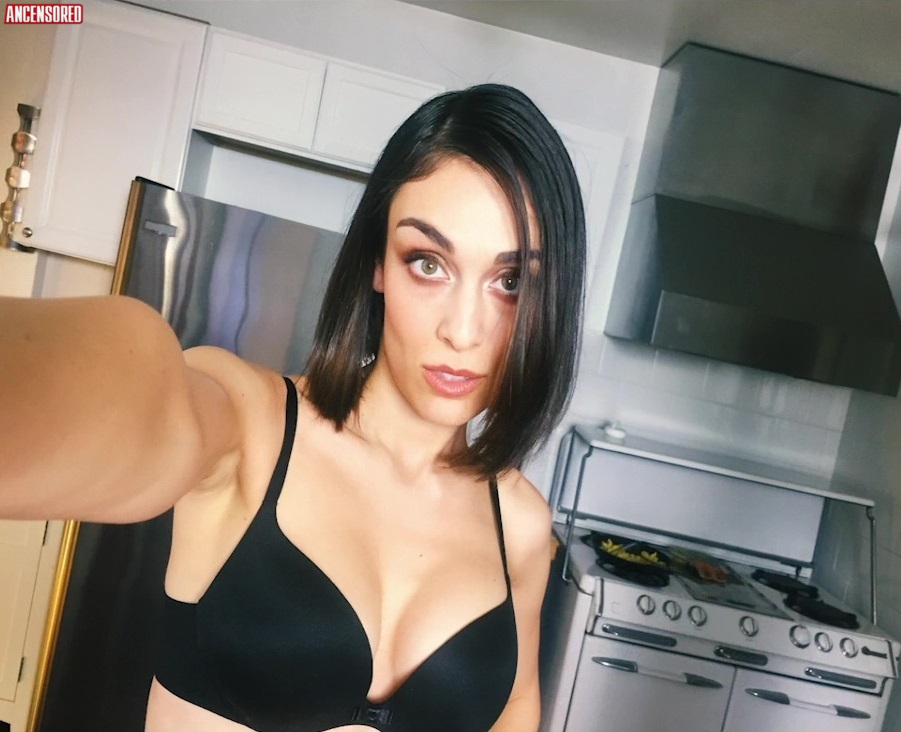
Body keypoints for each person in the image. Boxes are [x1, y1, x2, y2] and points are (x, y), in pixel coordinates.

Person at [0, 83, 585, 732]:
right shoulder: (248, 424)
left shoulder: (520, 524)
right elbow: (141, 390)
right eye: (427, 263)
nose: (464, 330)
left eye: (510, 281)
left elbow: (515, 708)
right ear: (377, 263)